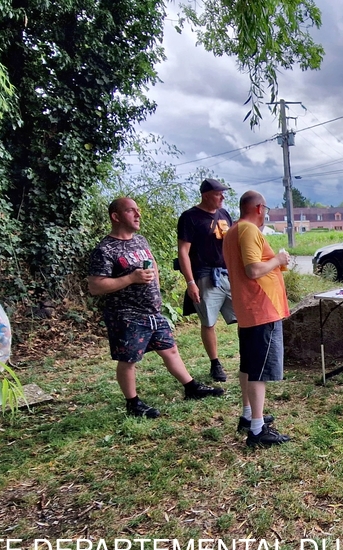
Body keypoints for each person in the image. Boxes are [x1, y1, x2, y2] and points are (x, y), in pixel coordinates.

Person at [88, 197, 224, 418]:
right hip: (126, 314)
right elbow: (95, 286)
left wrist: (156, 292)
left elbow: (153, 265)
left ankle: (191, 388)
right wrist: (131, 278)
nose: (138, 214)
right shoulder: (105, 250)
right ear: (116, 216)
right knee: (128, 360)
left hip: (152, 311)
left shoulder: (140, 241)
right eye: (131, 211)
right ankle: (133, 403)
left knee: (170, 349)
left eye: (138, 210)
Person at [223, 191, 293, 447]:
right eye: (266, 209)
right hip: (261, 307)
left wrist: (273, 263)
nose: (266, 214)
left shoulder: (233, 230)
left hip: (248, 307)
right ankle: (257, 429)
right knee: (259, 371)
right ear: (259, 208)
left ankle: (248, 414)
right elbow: (253, 270)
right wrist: (278, 259)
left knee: (249, 365)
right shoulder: (249, 230)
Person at [176, 179, 237, 382]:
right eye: (218, 193)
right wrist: (190, 282)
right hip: (205, 275)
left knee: (243, 316)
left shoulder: (224, 214)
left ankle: (247, 355)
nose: (222, 197)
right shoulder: (190, 217)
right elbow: (183, 252)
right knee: (208, 321)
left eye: (222, 193)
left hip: (227, 274)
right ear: (206, 195)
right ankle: (215, 363)